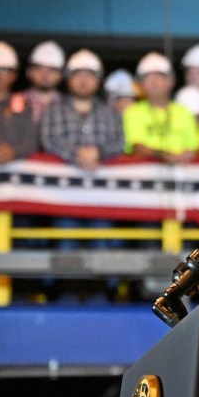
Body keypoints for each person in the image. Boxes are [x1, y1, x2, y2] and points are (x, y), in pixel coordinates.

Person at [41, 49, 125, 250]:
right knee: (65, 247)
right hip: (63, 197)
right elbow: (48, 139)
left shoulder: (110, 112)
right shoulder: (54, 109)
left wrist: (98, 152)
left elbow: (119, 142)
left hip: (102, 197)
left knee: (103, 247)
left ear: (98, 81)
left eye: (89, 75)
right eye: (78, 75)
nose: (83, 80)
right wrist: (77, 155)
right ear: (68, 79)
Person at [122, 51, 199, 164]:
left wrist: (184, 156)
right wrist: (163, 155)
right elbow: (137, 147)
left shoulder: (183, 112)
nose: (154, 82)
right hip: (144, 178)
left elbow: (193, 148)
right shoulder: (132, 112)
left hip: (181, 177)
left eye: (159, 77)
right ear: (140, 84)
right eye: (148, 77)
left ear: (171, 81)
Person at [24, 40, 65, 123]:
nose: (45, 75)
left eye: (51, 70)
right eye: (39, 69)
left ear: (60, 75)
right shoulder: (17, 102)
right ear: (29, 72)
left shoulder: (67, 106)